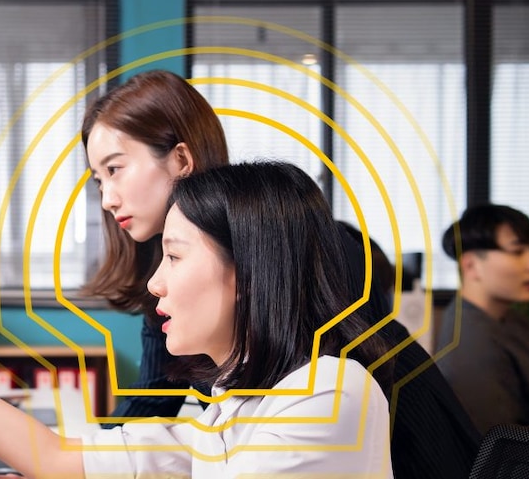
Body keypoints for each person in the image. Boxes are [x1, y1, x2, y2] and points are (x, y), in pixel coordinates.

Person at [0, 161, 393, 477]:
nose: (155, 283)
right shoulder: (225, 403)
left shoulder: (328, 393)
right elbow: (53, 457)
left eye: (174, 256)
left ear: (248, 270)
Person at [79, 70, 480, 479]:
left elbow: (348, 376)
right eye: (98, 180)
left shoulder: (293, 246)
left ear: (181, 160)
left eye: (115, 170)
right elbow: (153, 398)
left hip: (402, 446)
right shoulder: (168, 281)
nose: (108, 198)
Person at [437, 204, 529, 434]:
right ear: (471, 265)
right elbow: (500, 448)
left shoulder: (508, 317)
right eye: (518, 252)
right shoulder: (472, 344)